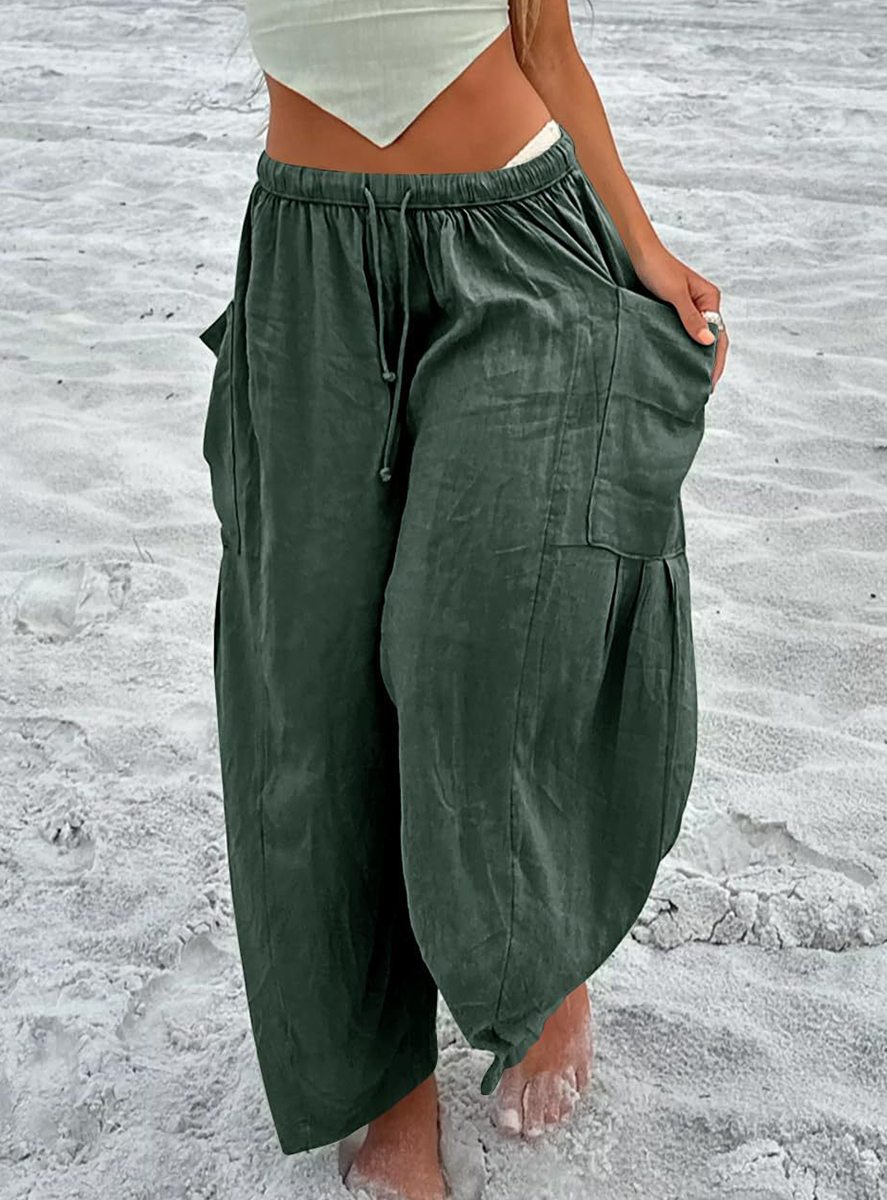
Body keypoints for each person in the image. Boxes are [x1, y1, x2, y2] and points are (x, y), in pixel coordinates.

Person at [197, 0, 729, 1196]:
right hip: (310, 258)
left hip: (517, 234)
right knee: (310, 688)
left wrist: (642, 249)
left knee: (484, 638)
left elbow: (544, 40)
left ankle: (542, 953)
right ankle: (383, 1090)